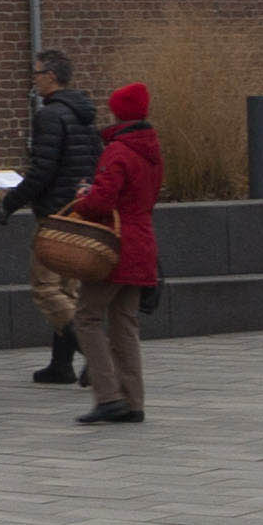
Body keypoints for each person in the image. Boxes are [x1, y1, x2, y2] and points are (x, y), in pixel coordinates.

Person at [0, 49, 102, 384]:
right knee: (69, 288)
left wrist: (8, 204)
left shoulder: (50, 116)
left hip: (55, 215)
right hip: (80, 211)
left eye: (37, 73)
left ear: (52, 77)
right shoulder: (85, 114)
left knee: (45, 288)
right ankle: (61, 365)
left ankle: (95, 356)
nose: (34, 79)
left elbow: (42, 170)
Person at [68, 81, 162, 427]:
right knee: (125, 322)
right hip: (143, 244)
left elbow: (100, 203)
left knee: (87, 316)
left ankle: (108, 396)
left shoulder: (118, 151)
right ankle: (133, 401)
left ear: (119, 113)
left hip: (115, 246)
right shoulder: (151, 150)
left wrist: (82, 197)